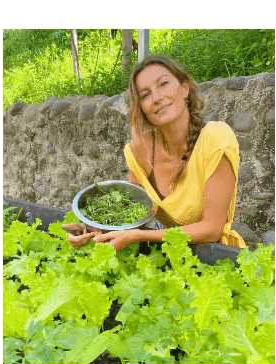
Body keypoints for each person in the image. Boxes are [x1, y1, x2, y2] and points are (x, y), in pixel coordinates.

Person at [69, 54, 245, 264]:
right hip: (167, 258)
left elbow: (211, 229)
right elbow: (129, 214)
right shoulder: (140, 150)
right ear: (142, 108)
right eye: (145, 95)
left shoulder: (215, 138)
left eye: (163, 84)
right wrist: (90, 228)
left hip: (215, 259)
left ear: (184, 89)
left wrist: (141, 236)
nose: (157, 97)